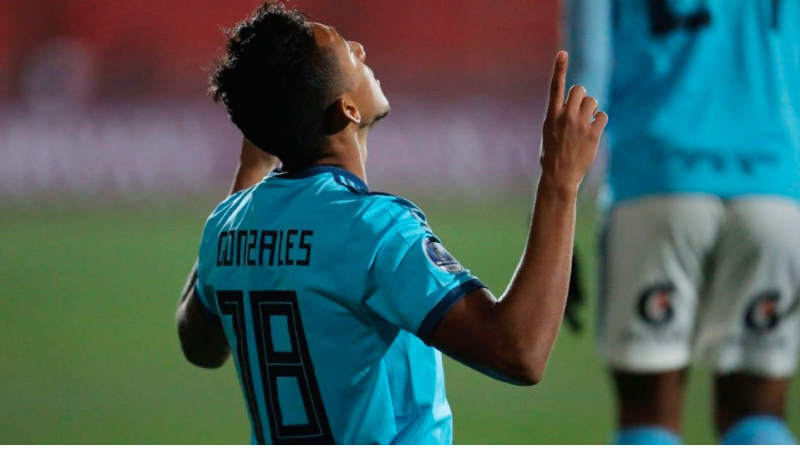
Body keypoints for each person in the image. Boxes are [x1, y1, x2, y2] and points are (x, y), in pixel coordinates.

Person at [176, 2, 607, 444]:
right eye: (346, 50)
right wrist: (559, 181)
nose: (361, 49)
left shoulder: (227, 224)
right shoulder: (372, 228)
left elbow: (200, 346)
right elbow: (518, 351)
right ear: (347, 110)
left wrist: (252, 167)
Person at [564, 0, 800, 444]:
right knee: (757, 411)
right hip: (775, 187)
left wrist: (558, 211)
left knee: (647, 412)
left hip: (657, 183)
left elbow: (588, 69)